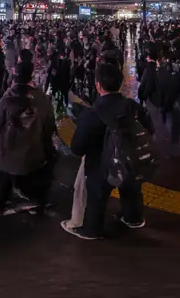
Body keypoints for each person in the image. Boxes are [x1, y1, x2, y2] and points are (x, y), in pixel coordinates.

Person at [65, 61, 153, 240]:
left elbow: (77, 147)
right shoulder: (132, 107)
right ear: (121, 84)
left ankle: (92, 230)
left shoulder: (91, 114)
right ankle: (133, 218)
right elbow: (148, 129)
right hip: (130, 161)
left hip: (100, 166)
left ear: (98, 85)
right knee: (131, 189)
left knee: (97, 197)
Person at [0, 61, 56, 212]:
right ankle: (38, 198)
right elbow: (49, 128)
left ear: (14, 77)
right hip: (33, 157)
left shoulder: (5, 100)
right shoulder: (42, 99)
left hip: (5, 157)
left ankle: (0, 197)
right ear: (31, 76)